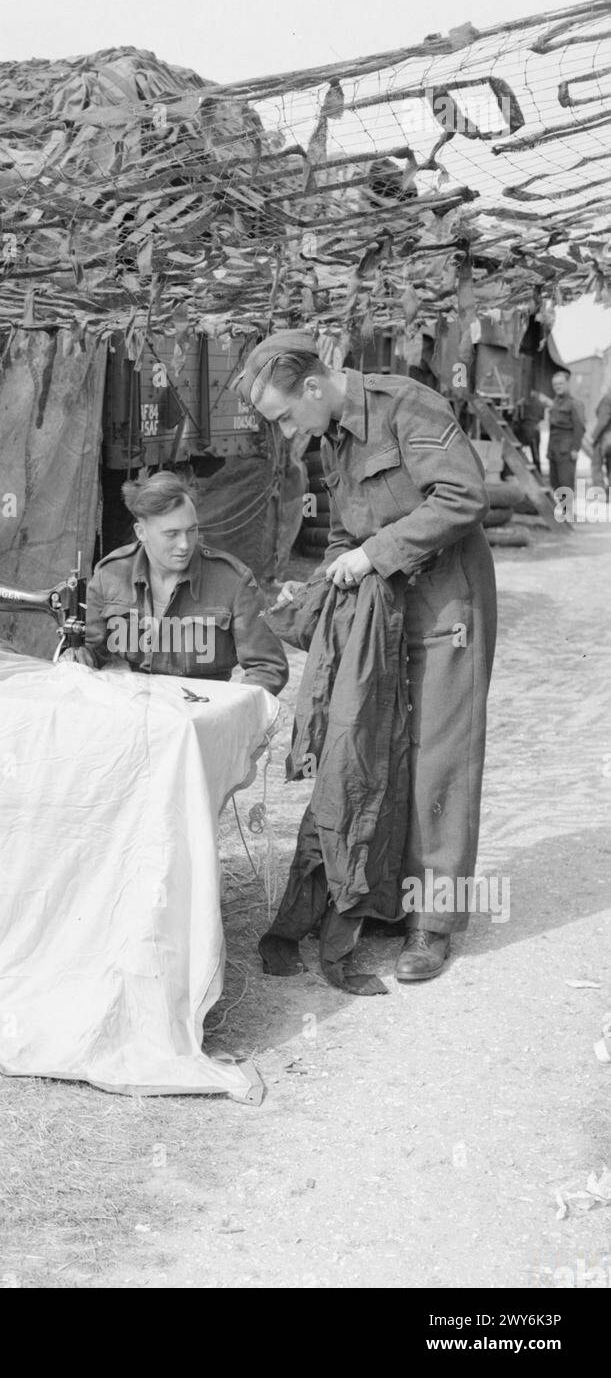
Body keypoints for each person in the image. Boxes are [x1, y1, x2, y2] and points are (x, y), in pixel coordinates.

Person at [239, 332, 497, 985]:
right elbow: (344, 534)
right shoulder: (332, 437)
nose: (287, 432)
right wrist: (324, 577)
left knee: (438, 762)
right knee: (379, 749)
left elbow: (462, 496)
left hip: (445, 608)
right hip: (381, 613)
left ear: (316, 387)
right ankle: (385, 899)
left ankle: (431, 926)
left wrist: (374, 553)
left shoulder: (405, 405)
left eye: (284, 415)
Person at [76, 471, 288, 695]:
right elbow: (91, 647)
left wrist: (228, 710)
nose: (185, 544)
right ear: (141, 532)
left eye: (192, 530)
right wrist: (78, 656)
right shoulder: (111, 575)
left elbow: (268, 666)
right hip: (135, 708)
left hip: (203, 713)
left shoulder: (233, 581)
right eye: (172, 534)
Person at [539, 371, 585, 492]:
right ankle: (559, 510)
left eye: (561, 383)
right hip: (553, 449)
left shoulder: (574, 404)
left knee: (566, 483)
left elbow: (580, 427)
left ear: (567, 384)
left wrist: (575, 449)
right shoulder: (555, 403)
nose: (558, 387)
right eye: (555, 385)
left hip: (566, 450)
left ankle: (567, 511)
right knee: (555, 483)